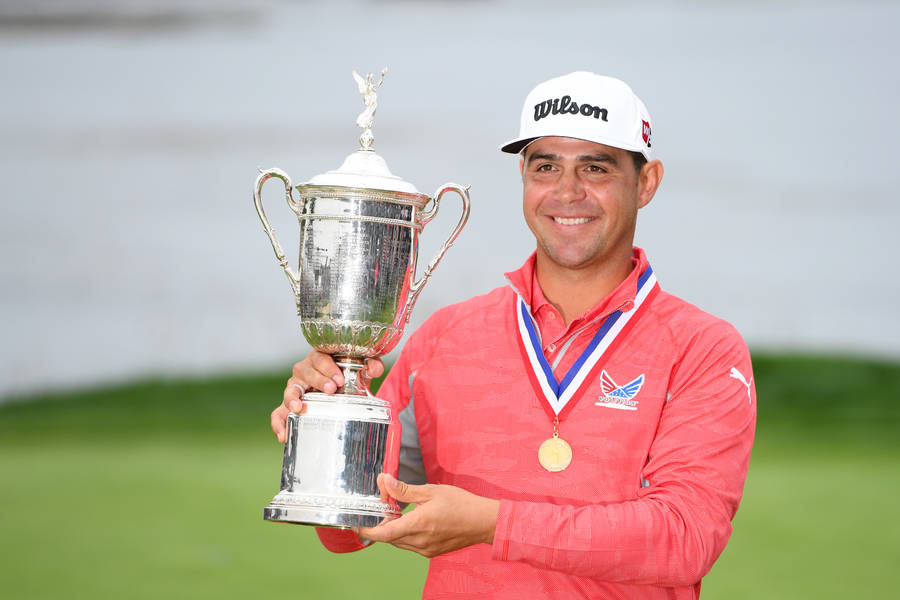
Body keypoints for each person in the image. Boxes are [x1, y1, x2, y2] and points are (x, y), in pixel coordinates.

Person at [271, 71, 756, 599]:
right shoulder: (445, 338)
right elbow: (348, 534)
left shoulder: (703, 349)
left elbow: (684, 539)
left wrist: (493, 524)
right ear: (523, 176)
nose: (568, 192)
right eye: (546, 167)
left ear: (646, 183)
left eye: (595, 168)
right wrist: (327, 422)